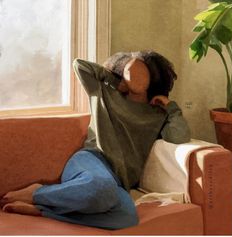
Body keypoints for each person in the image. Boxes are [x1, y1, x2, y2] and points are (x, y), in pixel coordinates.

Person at [0, 50, 191, 230]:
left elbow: (178, 136)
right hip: (91, 160)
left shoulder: (157, 113)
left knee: (126, 218)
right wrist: (119, 81)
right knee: (101, 188)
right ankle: (37, 193)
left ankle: (45, 211)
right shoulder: (105, 93)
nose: (138, 79)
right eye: (133, 72)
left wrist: (171, 108)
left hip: (117, 181)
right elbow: (80, 66)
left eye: (143, 74)